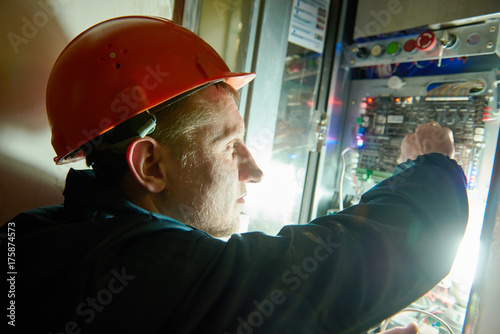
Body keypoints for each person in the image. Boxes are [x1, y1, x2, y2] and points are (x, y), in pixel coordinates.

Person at [3, 16, 468, 334]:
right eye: (229, 147)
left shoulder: (35, 233)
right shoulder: (148, 277)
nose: (255, 170)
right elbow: (353, 265)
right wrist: (433, 167)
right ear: (149, 165)